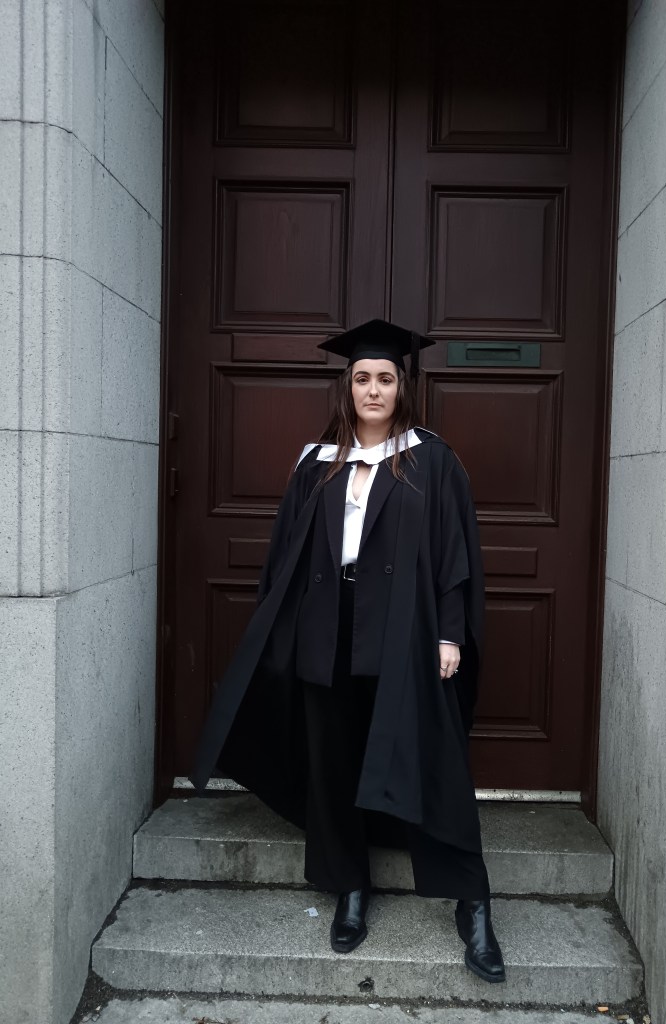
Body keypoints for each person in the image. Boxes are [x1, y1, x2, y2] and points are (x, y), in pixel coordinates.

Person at [191, 319, 506, 983]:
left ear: (402, 386)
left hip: (406, 633)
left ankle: (472, 903)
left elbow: (456, 557)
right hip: (327, 631)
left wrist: (450, 634)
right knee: (332, 761)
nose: (373, 389)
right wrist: (285, 634)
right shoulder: (318, 463)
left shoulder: (431, 459)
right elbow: (285, 557)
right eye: (362, 378)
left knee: (434, 760)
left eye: (385, 378)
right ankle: (350, 887)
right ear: (347, 385)